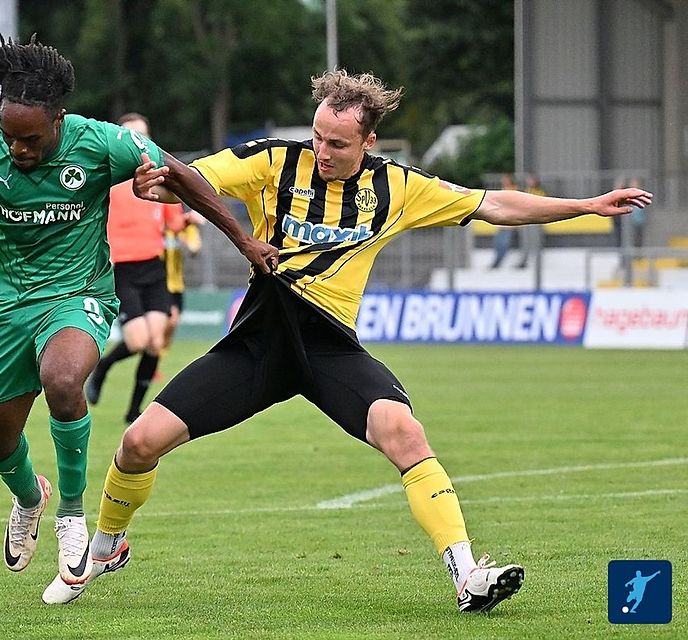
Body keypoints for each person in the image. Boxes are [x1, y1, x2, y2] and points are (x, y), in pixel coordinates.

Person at [41, 69, 653, 611]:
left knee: (404, 432)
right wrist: (160, 184)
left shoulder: (400, 187)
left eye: (337, 144)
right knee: (138, 443)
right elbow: (198, 177)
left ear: (369, 142)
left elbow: (495, 206)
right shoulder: (274, 162)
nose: (322, 151)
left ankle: (468, 573)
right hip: (259, 343)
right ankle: (106, 545)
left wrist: (587, 205)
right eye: (317, 137)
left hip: (329, 349)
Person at [0, 37, 276, 595]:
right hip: (5, 306)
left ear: (58, 119)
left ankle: (71, 515)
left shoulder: (101, 142)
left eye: (30, 138)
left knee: (64, 378)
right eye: (10, 136)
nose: (17, 148)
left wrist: (243, 240)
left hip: (79, 293)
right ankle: (30, 497)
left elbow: (183, 176)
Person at [85, 113, 185, 425]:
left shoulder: (158, 180)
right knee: (139, 341)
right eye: (130, 135)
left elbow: (174, 223)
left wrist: (190, 220)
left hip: (154, 267)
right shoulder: (106, 180)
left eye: (142, 135)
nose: (136, 142)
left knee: (156, 342)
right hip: (122, 269)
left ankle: (133, 412)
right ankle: (102, 367)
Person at [162, 210, 204, 353]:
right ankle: (153, 357)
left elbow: (194, 249)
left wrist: (183, 234)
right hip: (160, 282)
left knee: (172, 325)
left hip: (177, 284)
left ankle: (157, 358)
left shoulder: (186, 227)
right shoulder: (160, 224)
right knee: (170, 320)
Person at [488, 173, 522, 269]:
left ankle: (497, 264)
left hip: (510, 224)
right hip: (502, 223)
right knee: (497, 243)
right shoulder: (503, 190)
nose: (503, 181)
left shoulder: (514, 190)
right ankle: (496, 262)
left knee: (504, 244)